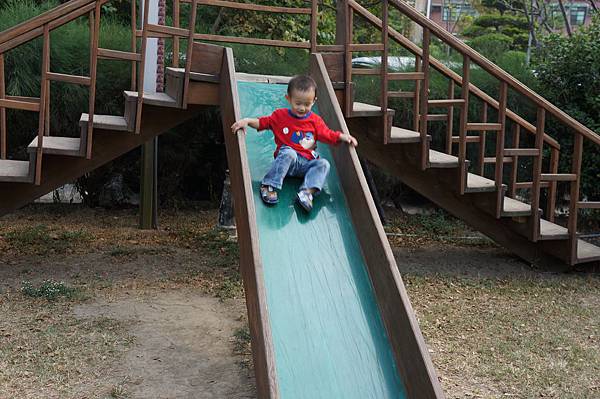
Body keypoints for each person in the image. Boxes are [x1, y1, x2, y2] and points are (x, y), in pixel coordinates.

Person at [231, 75, 358, 212]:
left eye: (307, 104)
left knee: (323, 164)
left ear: (314, 101)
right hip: (287, 163)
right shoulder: (280, 116)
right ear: (288, 99)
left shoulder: (315, 121)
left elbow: (327, 134)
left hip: (305, 166)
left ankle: (306, 192)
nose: (302, 108)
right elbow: (263, 122)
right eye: (298, 103)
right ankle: (269, 185)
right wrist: (247, 121)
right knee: (289, 152)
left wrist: (342, 136)